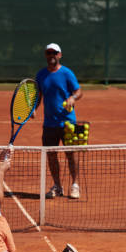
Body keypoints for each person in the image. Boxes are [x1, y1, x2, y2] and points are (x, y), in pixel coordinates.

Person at [35, 43, 83, 199]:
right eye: (49, 53)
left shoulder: (67, 73)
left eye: (54, 53)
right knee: (51, 155)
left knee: (72, 154)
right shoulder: (41, 75)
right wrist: (34, 108)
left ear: (60, 55)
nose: (51, 56)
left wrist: (72, 97)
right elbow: (38, 95)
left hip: (68, 122)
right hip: (49, 124)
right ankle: (57, 185)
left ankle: (75, 185)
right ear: (45, 55)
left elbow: (78, 91)